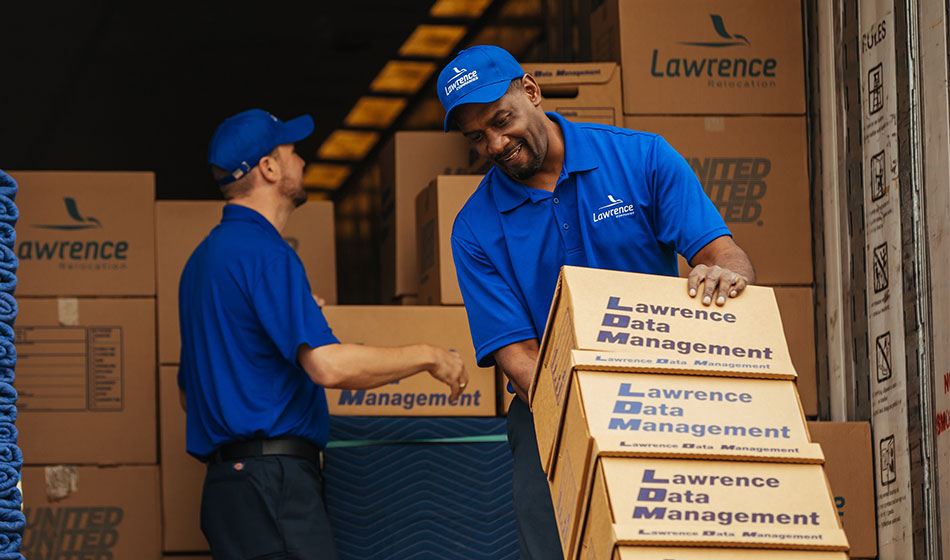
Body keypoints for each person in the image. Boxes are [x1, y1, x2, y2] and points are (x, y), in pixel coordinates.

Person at [437, 46, 755, 559]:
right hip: (551, 412)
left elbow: (726, 256)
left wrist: (725, 277)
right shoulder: (474, 228)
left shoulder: (641, 158)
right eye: (477, 136)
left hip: (667, 397)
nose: (496, 143)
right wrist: (595, 415)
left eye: (502, 120)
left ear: (532, 92)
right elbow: (519, 361)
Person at [177, 109, 468, 559]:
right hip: (272, 483)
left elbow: (190, 392)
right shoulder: (266, 253)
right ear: (268, 168)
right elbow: (327, 366)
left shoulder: (200, 264)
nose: (303, 163)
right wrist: (429, 355)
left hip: (228, 490)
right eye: (293, 152)